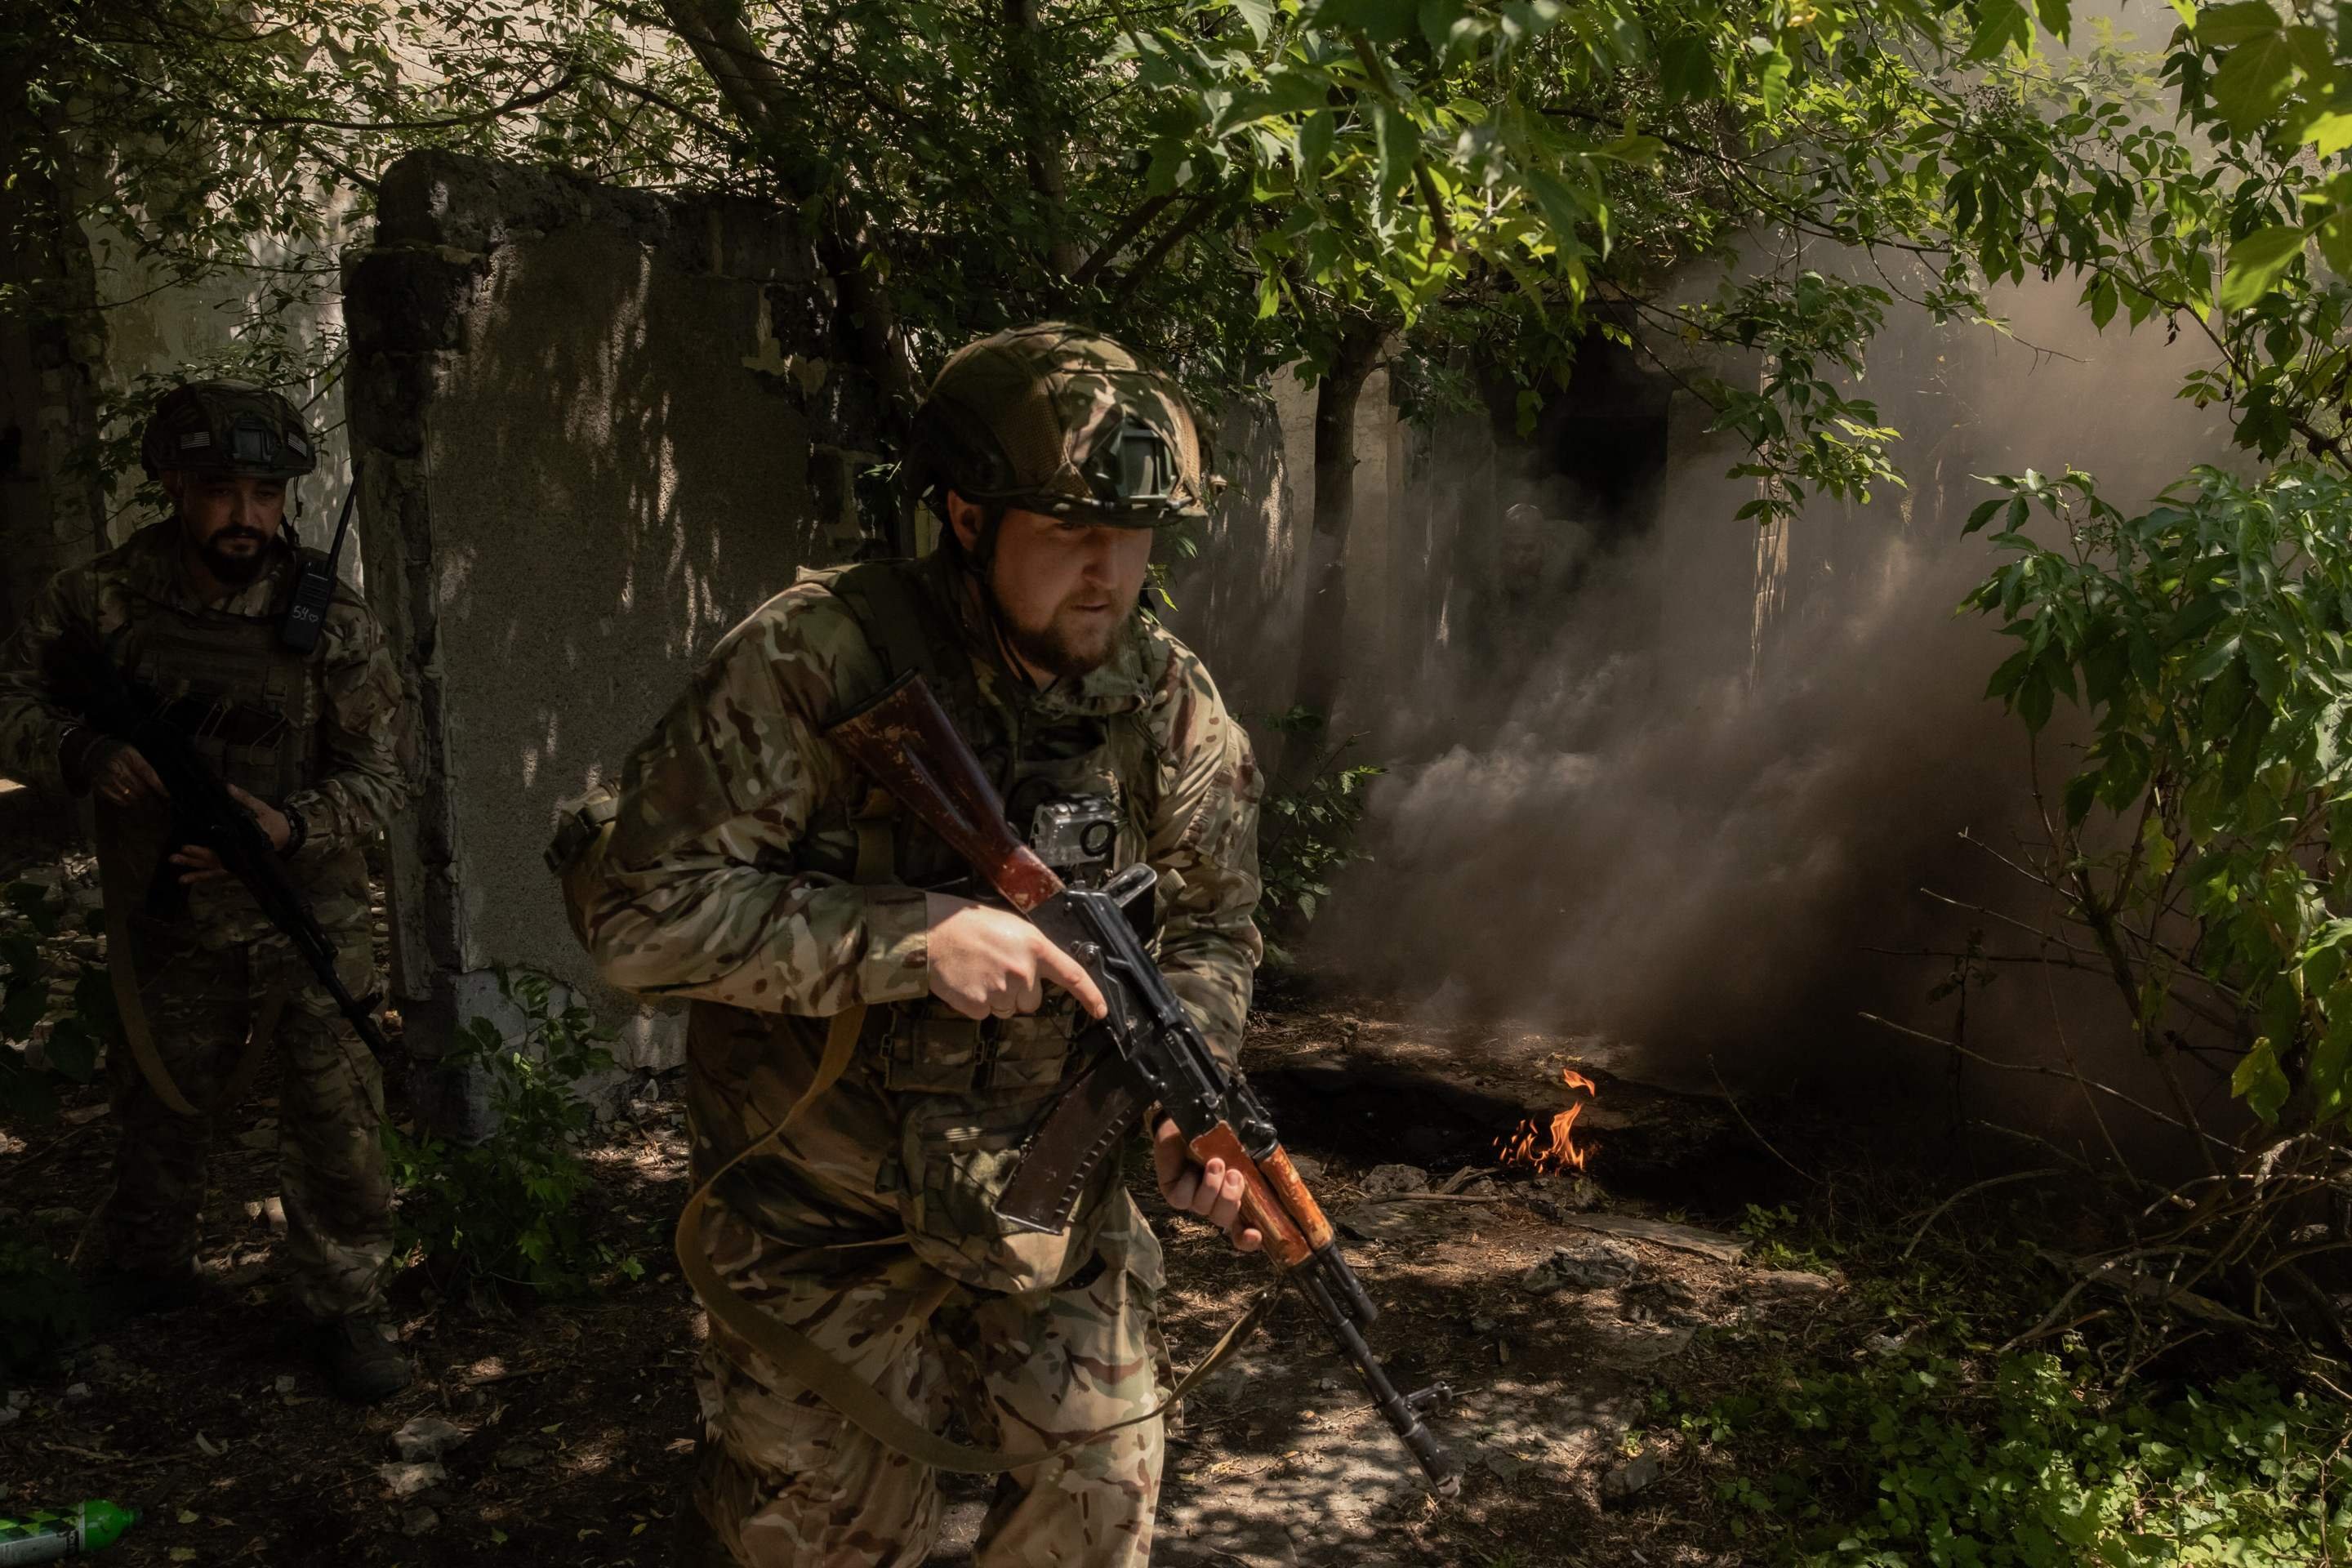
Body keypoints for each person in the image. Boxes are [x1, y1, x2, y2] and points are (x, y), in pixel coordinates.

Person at [557, 323, 1266, 1566]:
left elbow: (1212, 927)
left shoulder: (1166, 703)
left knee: (1097, 1512)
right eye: (1066, 533)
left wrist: (1176, 1101)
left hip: (1053, 1208)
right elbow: (634, 916)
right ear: (965, 517)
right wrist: (910, 939)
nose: (1108, 571)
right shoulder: (819, 660)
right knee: (821, 1541)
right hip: (822, 1216)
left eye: (1135, 534)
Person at [0, 380, 412, 1401]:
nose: (247, 515)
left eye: (266, 493)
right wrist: (81, 748)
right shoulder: (96, 602)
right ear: (176, 488)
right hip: (167, 906)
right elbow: (12, 703)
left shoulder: (334, 622)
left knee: (335, 1117)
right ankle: (145, 1268)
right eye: (222, 490)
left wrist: (289, 827)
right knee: (157, 1103)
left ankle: (343, 1305)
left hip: (300, 905)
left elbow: (385, 777)